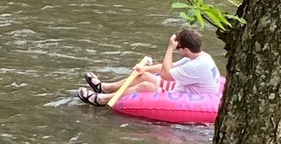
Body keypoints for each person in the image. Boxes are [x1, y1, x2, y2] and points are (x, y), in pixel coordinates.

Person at [77, 28, 222, 106]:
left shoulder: (197, 66)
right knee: (144, 76)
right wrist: (145, 69)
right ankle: (104, 87)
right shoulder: (201, 56)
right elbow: (167, 67)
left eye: (179, 49)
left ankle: (103, 99)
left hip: (195, 96)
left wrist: (169, 48)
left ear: (186, 50)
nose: (178, 51)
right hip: (188, 88)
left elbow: (166, 74)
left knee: (145, 85)